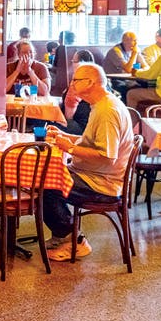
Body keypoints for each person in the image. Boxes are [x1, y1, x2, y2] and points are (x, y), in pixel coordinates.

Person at [42, 63, 134, 261]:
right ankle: (63, 235)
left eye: (75, 80)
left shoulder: (107, 111)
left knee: (45, 184)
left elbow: (107, 155)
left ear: (91, 82)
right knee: (46, 177)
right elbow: (93, 143)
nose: (71, 84)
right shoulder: (101, 104)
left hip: (102, 182)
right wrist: (65, 136)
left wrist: (70, 148)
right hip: (94, 174)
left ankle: (74, 241)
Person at [102, 31, 149, 102]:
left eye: (136, 40)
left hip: (129, 80)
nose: (136, 43)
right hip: (114, 81)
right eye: (134, 40)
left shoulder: (135, 50)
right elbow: (128, 69)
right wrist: (134, 54)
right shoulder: (115, 51)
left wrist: (137, 67)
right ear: (125, 41)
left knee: (146, 86)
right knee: (131, 91)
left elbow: (145, 66)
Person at [58, 50, 95, 135]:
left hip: (80, 127)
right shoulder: (95, 78)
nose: (72, 64)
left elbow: (69, 115)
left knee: (47, 126)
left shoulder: (79, 82)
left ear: (80, 64)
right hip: (92, 127)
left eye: (74, 61)